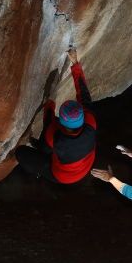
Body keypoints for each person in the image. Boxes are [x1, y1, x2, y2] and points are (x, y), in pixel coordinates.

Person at [15, 47, 97, 184]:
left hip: (63, 176)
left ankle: (38, 172)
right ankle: (47, 154)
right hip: (85, 166)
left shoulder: (56, 138)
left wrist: (50, 101)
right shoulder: (90, 122)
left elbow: (49, 119)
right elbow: (83, 94)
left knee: (21, 152)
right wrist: (75, 63)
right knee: (48, 146)